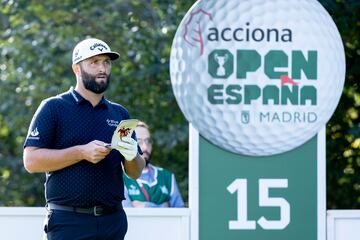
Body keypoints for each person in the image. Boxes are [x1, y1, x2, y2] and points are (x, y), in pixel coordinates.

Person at [23, 38, 145, 240]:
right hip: (68, 221)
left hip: (112, 222)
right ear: (76, 69)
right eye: (94, 62)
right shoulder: (53, 108)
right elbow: (31, 161)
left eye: (106, 62)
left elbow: (135, 172)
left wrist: (132, 155)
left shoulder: (119, 114)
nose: (102, 68)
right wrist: (81, 152)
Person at [122, 121, 185, 208]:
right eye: (139, 141)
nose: (145, 147)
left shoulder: (166, 177)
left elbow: (180, 213)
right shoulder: (120, 176)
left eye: (148, 141)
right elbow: (126, 214)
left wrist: (144, 206)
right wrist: (164, 206)